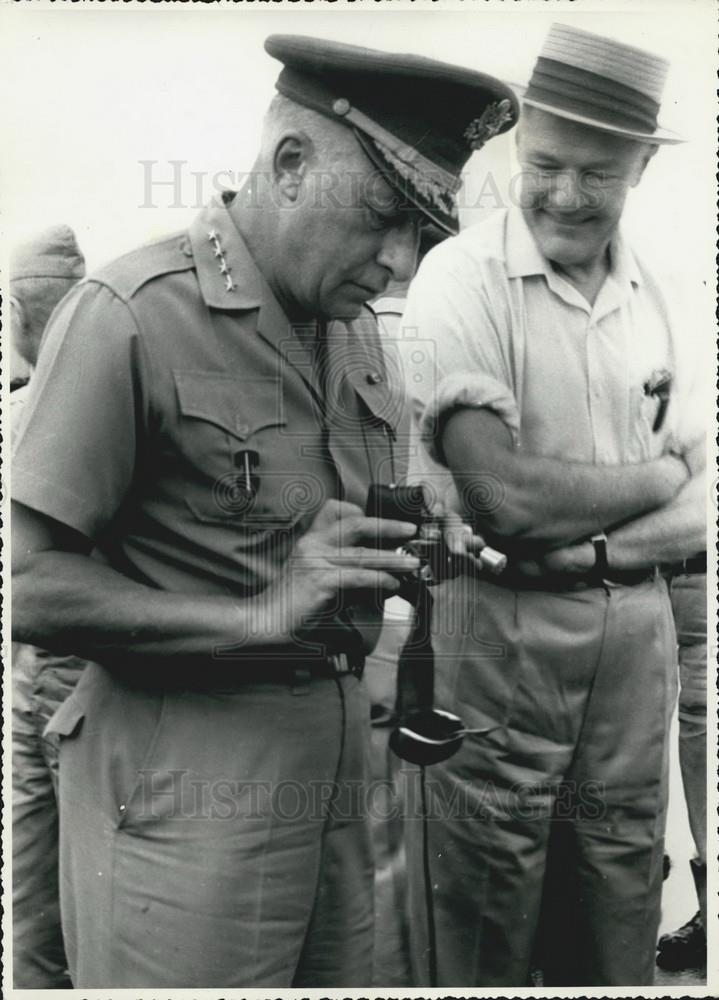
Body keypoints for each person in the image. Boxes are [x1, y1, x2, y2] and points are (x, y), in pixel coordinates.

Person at [11, 35, 517, 988]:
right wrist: (255, 612)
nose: (400, 261)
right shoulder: (128, 311)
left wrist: (417, 530)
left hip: (329, 780)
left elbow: (316, 528)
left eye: (424, 232)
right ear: (290, 165)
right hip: (179, 793)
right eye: (380, 217)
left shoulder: (358, 335)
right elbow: (27, 586)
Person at [398, 22, 706, 987]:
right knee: (485, 902)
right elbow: (507, 502)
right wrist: (656, 479)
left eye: (598, 174)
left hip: (631, 639)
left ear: (638, 173)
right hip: (500, 639)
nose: (566, 195)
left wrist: (603, 553)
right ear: (516, 147)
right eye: (547, 164)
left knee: (615, 893)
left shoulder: (662, 295)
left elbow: (712, 505)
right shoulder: (462, 278)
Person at [10, 224, 88, 989]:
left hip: (57, 669)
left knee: (43, 884)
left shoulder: (29, 410)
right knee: (57, 883)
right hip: (55, 668)